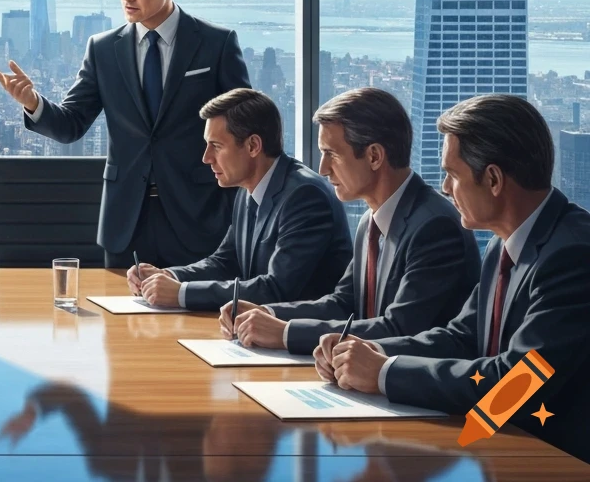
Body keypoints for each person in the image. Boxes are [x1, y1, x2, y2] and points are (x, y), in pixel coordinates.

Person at [325, 95, 590, 463]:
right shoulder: (505, 245)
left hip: (557, 463)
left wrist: (385, 373)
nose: (445, 188)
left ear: (494, 178)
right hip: (503, 451)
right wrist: (372, 353)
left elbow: (518, 385)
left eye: (452, 174)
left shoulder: (572, 254)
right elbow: (462, 337)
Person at [0, 0, 251, 268]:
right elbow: (71, 125)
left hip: (200, 216)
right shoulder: (103, 49)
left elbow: (245, 125)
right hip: (126, 222)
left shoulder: (217, 43)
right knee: (120, 316)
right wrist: (33, 103)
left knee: (197, 314)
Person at [224, 88, 479, 354]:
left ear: (374, 156)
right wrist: (266, 313)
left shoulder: (434, 227)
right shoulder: (371, 220)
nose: (323, 168)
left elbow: (400, 328)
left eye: (331, 154)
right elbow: (343, 304)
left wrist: (285, 333)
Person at [128, 88, 350, 310]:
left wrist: (181, 293)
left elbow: (277, 288)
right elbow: (225, 263)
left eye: (216, 146)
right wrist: (168, 276)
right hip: (252, 329)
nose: (206, 158)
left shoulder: (305, 196)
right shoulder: (247, 189)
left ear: (253, 146)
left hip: (305, 337)